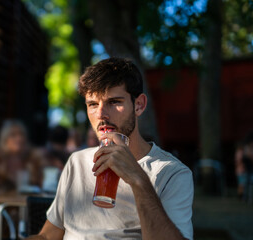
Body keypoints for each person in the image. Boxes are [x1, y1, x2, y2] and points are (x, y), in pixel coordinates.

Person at [26, 57, 193, 240]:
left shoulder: (172, 173)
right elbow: (49, 236)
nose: (101, 114)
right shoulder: (77, 161)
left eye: (114, 102)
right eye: (93, 104)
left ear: (139, 105)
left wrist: (138, 179)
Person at [0, 120, 44, 189]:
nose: (19, 138)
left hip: (24, 200)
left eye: (22, 134)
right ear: (5, 139)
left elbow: (43, 185)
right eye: (13, 135)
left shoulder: (31, 160)